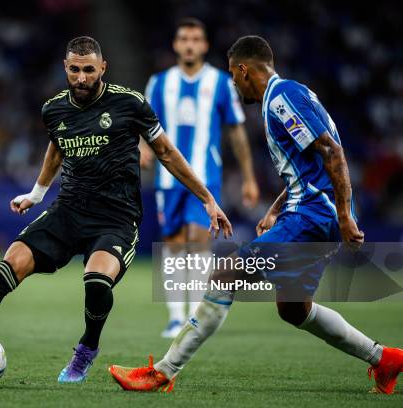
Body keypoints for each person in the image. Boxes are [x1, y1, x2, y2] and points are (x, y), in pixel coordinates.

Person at [0, 36, 232, 384]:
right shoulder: (54, 109)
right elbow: (56, 148)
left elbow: (167, 153)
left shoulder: (130, 104)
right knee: (8, 266)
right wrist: (36, 194)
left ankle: (86, 350)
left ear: (103, 68)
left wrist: (207, 199)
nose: (81, 78)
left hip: (116, 218)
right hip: (68, 211)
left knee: (96, 282)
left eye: (89, 70)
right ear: (66, 68)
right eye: (75, 70)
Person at [109, 35, 403, 394]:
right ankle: (385, 359)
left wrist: (344, 215)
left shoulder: (281, 99)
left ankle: (164, 372)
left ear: (244, 69)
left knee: (224, 274)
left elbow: (333, 153)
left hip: (312, 216)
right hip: (309, 212)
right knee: (293, 309)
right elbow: (308, 165)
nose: (234, 84)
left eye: (234, 76)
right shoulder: (287, 96)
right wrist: (276, 208)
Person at [141, 18, 259, 338]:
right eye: (184, 39)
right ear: (176, 45)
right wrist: (142, 148)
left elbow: (236, 130)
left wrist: (248, 177)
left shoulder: (221, 83)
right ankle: (176, 316)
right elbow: (144, 123)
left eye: (195, 39)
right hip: (169, 179)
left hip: (206, 177)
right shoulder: (159, 83)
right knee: (174, 244)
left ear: (205, 45)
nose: (190, 44)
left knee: (198, 238)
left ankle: (195, 314)